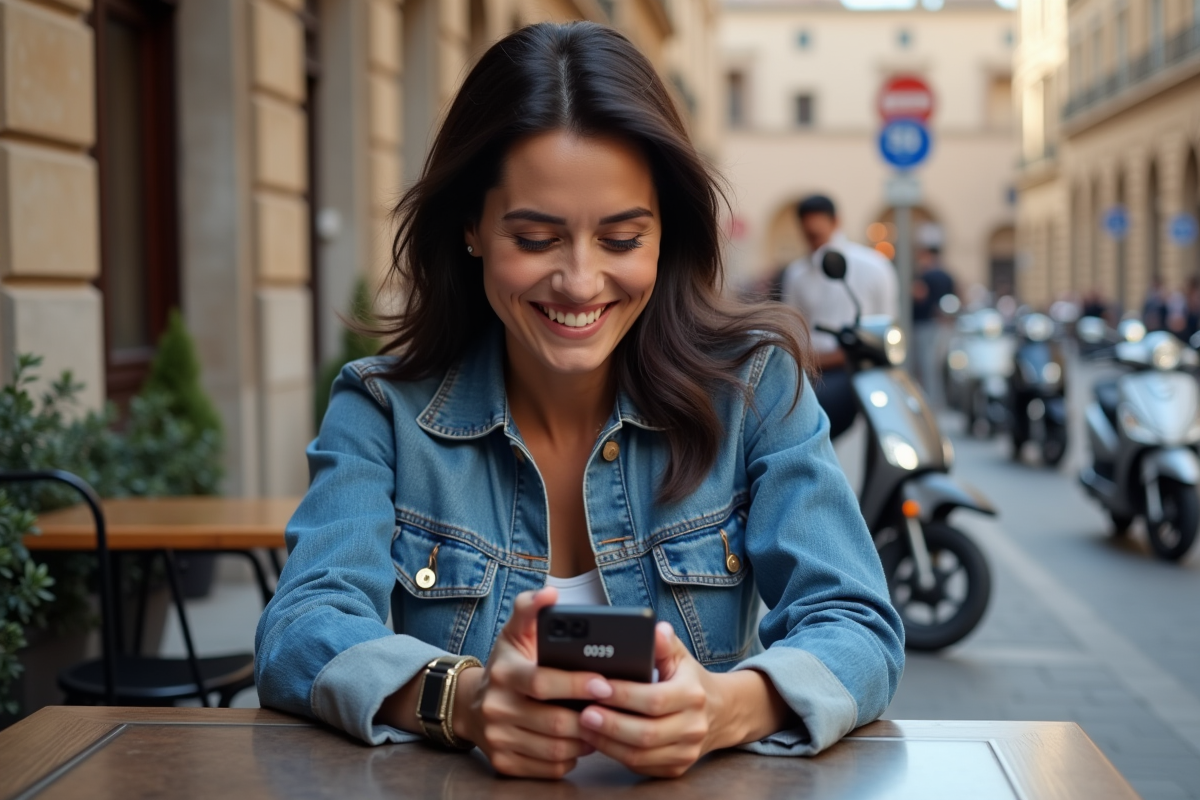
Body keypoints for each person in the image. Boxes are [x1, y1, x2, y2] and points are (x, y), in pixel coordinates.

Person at [255, 22, 903, 781]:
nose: (581, 281)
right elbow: (299, 628)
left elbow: (855, 624)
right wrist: (460, 699)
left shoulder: (756, 388)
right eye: (535, 239)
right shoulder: (380, 409)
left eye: (623, 239)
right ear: (471, 227)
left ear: (666, 234)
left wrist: (725, 707)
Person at [781, 195, 899, 439]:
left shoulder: (875, 266)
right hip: (815, 372)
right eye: (808, 236)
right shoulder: (797, 273)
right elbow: (791, 329)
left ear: (836, 223)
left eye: (818, 235)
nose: (815, 244)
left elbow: (887, 326)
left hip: (862, 369)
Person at [911, 245, 956, 404]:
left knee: (927, 366)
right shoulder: (947, 276)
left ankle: (930, 402)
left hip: (924, 325)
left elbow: (919, 294)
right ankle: (938, 401)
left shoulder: (925, 276)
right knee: (937, 366)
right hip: (943, 325)